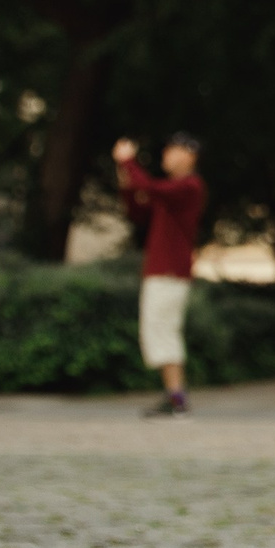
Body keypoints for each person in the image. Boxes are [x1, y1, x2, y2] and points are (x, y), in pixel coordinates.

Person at [113, 132, 206, 418]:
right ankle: (175, 396)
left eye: (172, 150)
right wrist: (126, 179)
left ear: (189, 156)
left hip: (169, 272)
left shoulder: (190, 186)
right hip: (162, 271)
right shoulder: (173, 190)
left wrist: (128, 161)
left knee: (163, 330)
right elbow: (137, 210)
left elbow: (149, 188)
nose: (165, 155)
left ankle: (177, 398)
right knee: (160, 331)